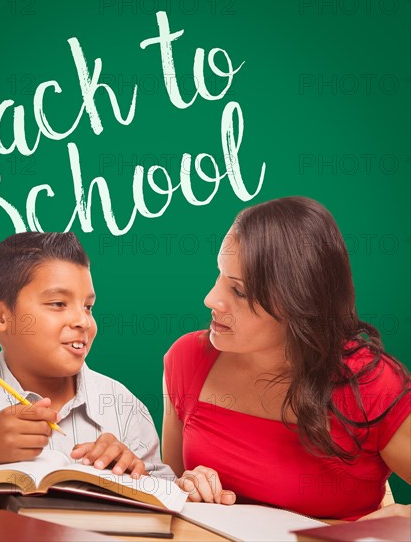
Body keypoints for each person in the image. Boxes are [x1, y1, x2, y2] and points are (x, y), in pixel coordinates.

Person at [162, 196, 410, 520]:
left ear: (298, 305)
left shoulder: (371, 384)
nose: (211, 298)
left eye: (239, 291)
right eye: (220, 276)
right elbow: (169, 490)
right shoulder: (188, 358)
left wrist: (400, 520)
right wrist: (185, 487)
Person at [0, 232, 173, 481]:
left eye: (88, 307)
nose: (82, 321)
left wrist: (132, 471)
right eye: (58, 304)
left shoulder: (124, 407)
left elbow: (166, 493)